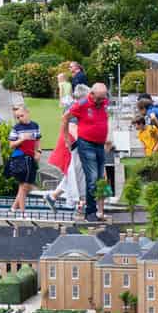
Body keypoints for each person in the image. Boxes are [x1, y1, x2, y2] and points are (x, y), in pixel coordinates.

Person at [67, 82, 111, 221]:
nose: (100, 101)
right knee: (92, 178)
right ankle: (90, 212)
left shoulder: (103, 103)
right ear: (91, 94)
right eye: (98, 98)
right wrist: (66, 139)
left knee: (99, 179)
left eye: (103, 98)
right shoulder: (82, 104)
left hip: (100, 144)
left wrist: (107, 139)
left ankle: (97, 211)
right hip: (86, 144)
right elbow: (66, 119)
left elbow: (105, 118)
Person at [7, 103, 41, 214]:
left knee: (27, 186)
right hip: (20, 158)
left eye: (21, 115)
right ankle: (22, 212)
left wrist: (38, 152)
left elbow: (37, 141)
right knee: (23, 185)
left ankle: (13, 208)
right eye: (17, 117)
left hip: (31, 157)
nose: (19, 119)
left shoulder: (35, 125)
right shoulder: (16, 128)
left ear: (27, 113)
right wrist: (21, 140)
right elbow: (11, 145)